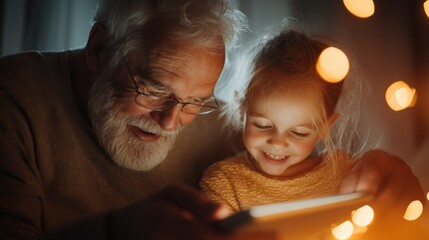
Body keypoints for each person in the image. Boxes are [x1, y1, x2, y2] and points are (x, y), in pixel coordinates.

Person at [0, 0, 424, 239]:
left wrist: (387, 171)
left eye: (195, 102)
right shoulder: (15, 97)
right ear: (98, 50)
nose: (170, 122)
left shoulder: (224, 125)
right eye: (153, 88)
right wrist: (119, 231)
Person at [200, 29, 428, 239]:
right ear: (242, 109)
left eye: (298, 133)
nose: (278, 142)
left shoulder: (348, 174)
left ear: (325, 127)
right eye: (262, 125)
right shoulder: (224, 182)